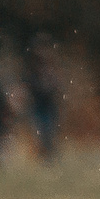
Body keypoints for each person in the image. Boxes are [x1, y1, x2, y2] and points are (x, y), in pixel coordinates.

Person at [23, 34, 63, 163]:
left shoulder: (50, 67)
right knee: (40, 130)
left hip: (48, 103)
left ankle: (48, 155)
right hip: (37, 102)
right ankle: (44, 154)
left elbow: (56, 85)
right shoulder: (32, 67)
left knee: (48, 130)